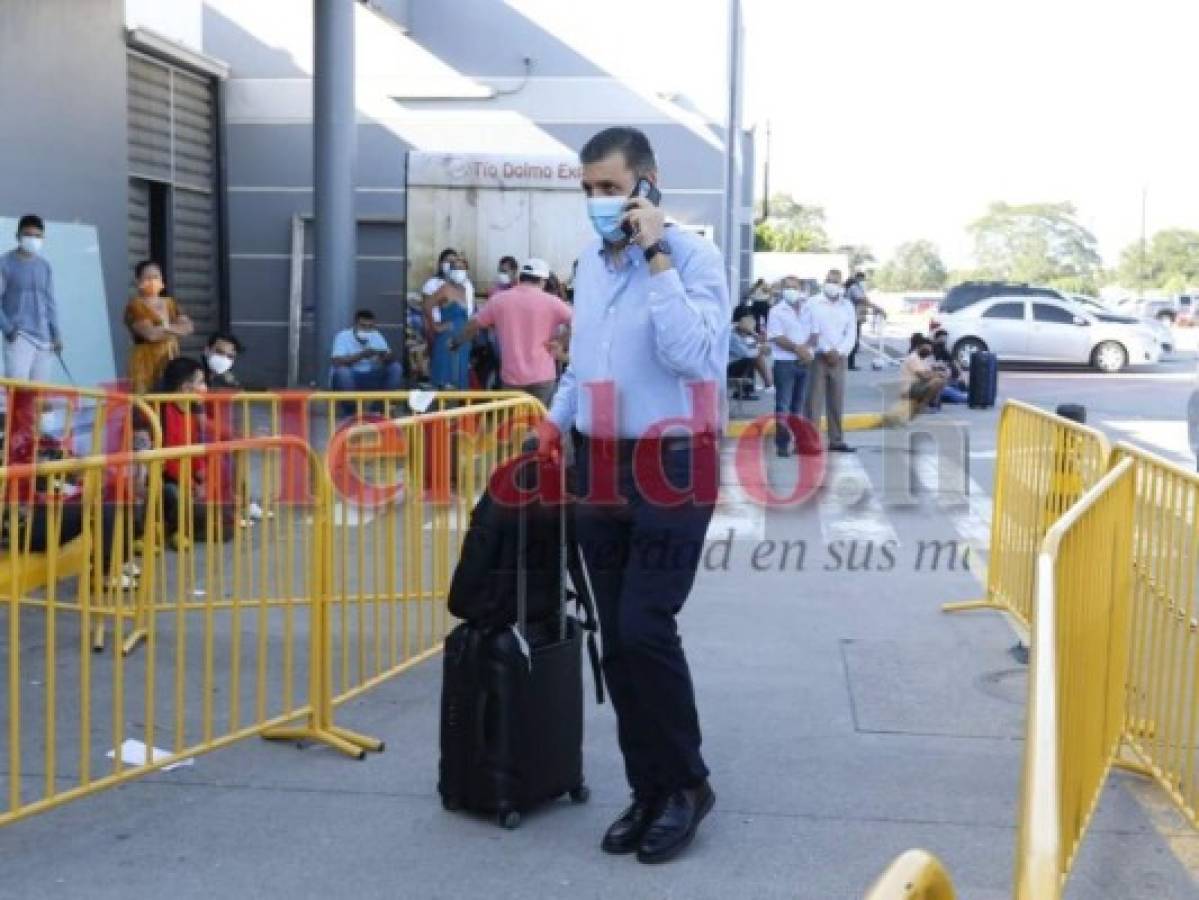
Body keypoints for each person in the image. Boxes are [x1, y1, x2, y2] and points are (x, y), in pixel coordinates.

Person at [533, 126, 724, 864]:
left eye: (608, 188)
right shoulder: (588, 261)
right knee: (615, 640)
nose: (596, 203)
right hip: (600, 462)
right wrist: (551, 426)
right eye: (586, 190)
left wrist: (656, 259)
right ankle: (647, 788)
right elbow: (584, 367)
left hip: (674, 460)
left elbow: (694, 356)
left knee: (646, 626)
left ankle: (686, 785)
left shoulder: (693, 257)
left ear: (646, 184)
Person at [451, 258, 572, 407]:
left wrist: (455, 342)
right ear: (543, 281)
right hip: (543, 377)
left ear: (520, 277)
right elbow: (579, 324)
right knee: (540, 423)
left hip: (512, 378)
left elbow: (473, 325)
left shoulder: (499, 300)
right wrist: (561, 341)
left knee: (514, 425)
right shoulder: (553, 302)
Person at [0, 214, 62, 381]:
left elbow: (50, 302)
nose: (33, 239)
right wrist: (8, 329)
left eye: (37, 236)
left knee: (39, 394)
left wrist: (56, 334)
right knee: (18, 390)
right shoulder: (5, 263)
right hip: (20, 336)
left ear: (43, 238)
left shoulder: (44, 266)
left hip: (44, 339)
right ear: (17, 236)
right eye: (28, 235)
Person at [803, 269, 857, 453]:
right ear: (824, 281)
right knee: (813, 402)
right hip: (818, 357)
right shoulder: (812, 303)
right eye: (829, 280)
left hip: (839, 358)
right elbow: (811, 329)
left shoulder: (847, 306)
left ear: (841, 284)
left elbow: (851, 333)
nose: (832, 284)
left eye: (836, 281)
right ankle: (811, 441)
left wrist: (840, 351)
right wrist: (826, 349)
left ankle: (836, 440)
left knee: (836, 401)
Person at [124, 260, 194, 392]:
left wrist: (164, 328)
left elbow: (188, 327)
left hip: (170, 356)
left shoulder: (170, 303)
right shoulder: (135, 306)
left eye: (156, 277)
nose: (153, 281)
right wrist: (174, 328)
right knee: (147, 400)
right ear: (139, 281)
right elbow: (150, 335)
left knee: (170, 394)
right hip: (145, 361)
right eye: (148, 278)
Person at [766, 276, 816, 456]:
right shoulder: (776, 311)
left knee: (798, 407)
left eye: (794, 287)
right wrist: (797, 349)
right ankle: (782, 444)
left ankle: (800, 443)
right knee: (783, 406)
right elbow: (776, 337)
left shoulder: (808, 309)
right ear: (781, 289)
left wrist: (808, 350)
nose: (791, 290)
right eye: (787, 287)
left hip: (804, 362)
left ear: (800, 288)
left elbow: (814, 332)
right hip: (784, 363)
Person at [329, 310, 404, 392]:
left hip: (371, 375)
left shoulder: (376, 335)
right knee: (342, 372)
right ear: (355, 324)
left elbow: (390, 355)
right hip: (351, 376)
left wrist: (383, 355)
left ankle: (382, 403)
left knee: (395, 368)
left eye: (370, 326)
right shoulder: (343, 336)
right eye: (363, 326)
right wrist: (362, 355)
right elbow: (337, 361)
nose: (367, 329)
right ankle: (350, 404)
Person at [427, 259, 472, 390]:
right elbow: (427, 305)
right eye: (455, 268)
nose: (459, 271)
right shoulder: (445, 289)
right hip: (447, 339)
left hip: (462, 339)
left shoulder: (464, 289)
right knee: (445, 379)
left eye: (462, 268)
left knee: (460, 377)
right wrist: (435, 326)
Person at [893, 337, 947, 421]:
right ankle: (922, 406)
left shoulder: (922, 359)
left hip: (917, 386)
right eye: (926, 348)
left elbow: (928, 373)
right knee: (937, 381)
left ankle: (932, 404)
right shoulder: (913, 358)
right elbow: (924, 376)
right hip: (909, 388)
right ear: (919, 347)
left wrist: (938, 372)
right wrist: (937, 374)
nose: (929, 351)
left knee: (940, 379)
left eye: (930, 348)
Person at [846, 271, 883, 370]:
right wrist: (877, 308)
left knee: (855, 341)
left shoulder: (859, 289)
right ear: (858, 279)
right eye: (862, 280)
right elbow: (862, 300)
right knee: (853, 341)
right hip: (852, 318)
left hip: (857, 318)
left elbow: (865, 300)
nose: (863, 282)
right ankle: (849, 364)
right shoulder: (854, 288)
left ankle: (850, 363)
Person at [930, 329, 969, 405]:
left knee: (961, 387)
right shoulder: (933, 350)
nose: (945, 340)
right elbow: (933, 366)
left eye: (946, 338)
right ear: (938, 338)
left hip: (947, 381)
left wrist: (961, 374)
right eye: (943, 338)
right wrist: (944, 369)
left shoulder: (942, 348)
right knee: (961, 396)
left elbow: (952, 360)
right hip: (940, 384)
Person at [727, 314, 760, 401]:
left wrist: (755, 339)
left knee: (754, 357)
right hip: (728, 366)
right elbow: (745, 353)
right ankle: (746, 390)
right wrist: (758, 349)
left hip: (731, 363)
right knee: (750, 359)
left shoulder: (736, 333)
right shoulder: (733, 336)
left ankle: (748, 389)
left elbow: (745, 347)